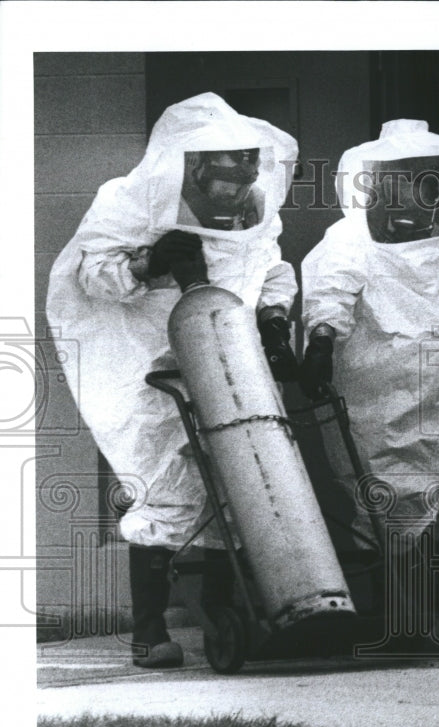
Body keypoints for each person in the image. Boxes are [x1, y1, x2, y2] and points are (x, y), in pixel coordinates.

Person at [46, 93, 299, 667]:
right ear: (192, 163)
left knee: (241, 486)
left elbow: (271, 269)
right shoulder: (128, 199)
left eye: (246, 165)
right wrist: (148, 263)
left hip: (232, 362)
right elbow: (91, 276)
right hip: (153, 369)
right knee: (162, 489)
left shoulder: (255, 209)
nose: (236, 181)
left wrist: (275, 323)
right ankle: (149, 631)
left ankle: (223, 617)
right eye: (224, 167)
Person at [299, 120, 439, 623]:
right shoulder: (350, 237)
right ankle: (398, 615)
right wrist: (321, 341)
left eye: (425, 179)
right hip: (384, 371)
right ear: (378, 182)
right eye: (402, 179)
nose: (413, 192)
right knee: (394, 485)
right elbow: (330, 291)